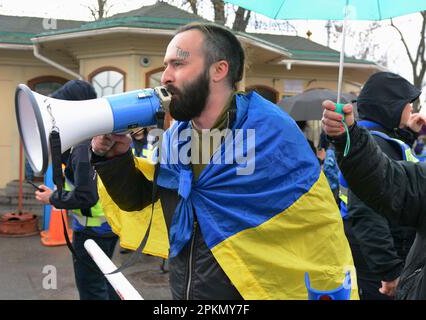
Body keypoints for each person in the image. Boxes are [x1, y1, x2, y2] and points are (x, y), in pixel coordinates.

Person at [91, 22, 357, 300]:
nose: (166, 77)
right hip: (185, 290)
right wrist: (115, 157)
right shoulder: (174, 136)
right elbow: (140, 199)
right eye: (165, 66)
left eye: (178, 64)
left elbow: (308, 224)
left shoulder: (271, 130)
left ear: (219, 70)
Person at [321, 86, 426, 299]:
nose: (413, 109)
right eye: (408, 103)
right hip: (376, 261)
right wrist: (389, 270)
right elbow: (385, 183)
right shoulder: (375, 139)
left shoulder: (385, 138)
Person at [34, 80, 119, 300]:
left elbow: (86, 196)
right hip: (106, 228)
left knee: (92, 290)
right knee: (106, 282)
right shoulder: (92, 139)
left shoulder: (83, 145)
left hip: (92, 232)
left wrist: (52, 197)